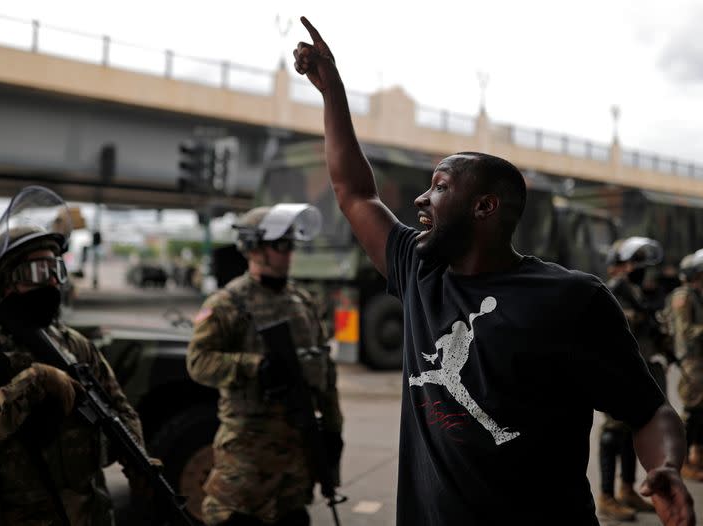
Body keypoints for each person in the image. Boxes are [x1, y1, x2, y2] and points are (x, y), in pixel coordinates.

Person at [293, 17, 694, 526]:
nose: (420, 197)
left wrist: (665, 468)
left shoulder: (571, 300)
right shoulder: (419, 270)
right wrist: (333, 93)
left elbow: (649, 410)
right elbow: (355, 191)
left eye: (438, 186)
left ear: (484, 207)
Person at [0, 186, 146, 525]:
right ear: (3, 283)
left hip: (84, 512)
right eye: (36, 272)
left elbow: (119, 407)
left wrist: (139, 460)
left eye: (55, 270)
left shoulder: (73, 342)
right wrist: (35, 380)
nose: (50, 282)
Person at [187, 203, 344, 526]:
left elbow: (325, 372)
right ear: (253, 248)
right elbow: (199, 362)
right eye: (280, 245)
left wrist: (332, 430)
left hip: (295, 469)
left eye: (291, 245)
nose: (288, 253)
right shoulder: (228, 303)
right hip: (245, 466)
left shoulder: (303, 302)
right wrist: (253, 366)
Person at [597, 237, 666, 520]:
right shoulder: (610, 291)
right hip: (614, 371)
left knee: (630, 431)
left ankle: (626, 489)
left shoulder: (635, 291)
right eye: (633, 263)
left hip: (636, 370)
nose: (638, 269)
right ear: (618, 265)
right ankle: (606, 496)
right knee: (612, 433)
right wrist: (636, 316)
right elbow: (605, 325)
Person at [665, 250, 703, 482]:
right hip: (691, 360)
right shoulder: (684, 297)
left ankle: (697, 453)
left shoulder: (698, 295)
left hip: (700, 359)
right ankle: (684, 461)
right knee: (691, 411)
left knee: (701, 412)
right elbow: (684, 333)